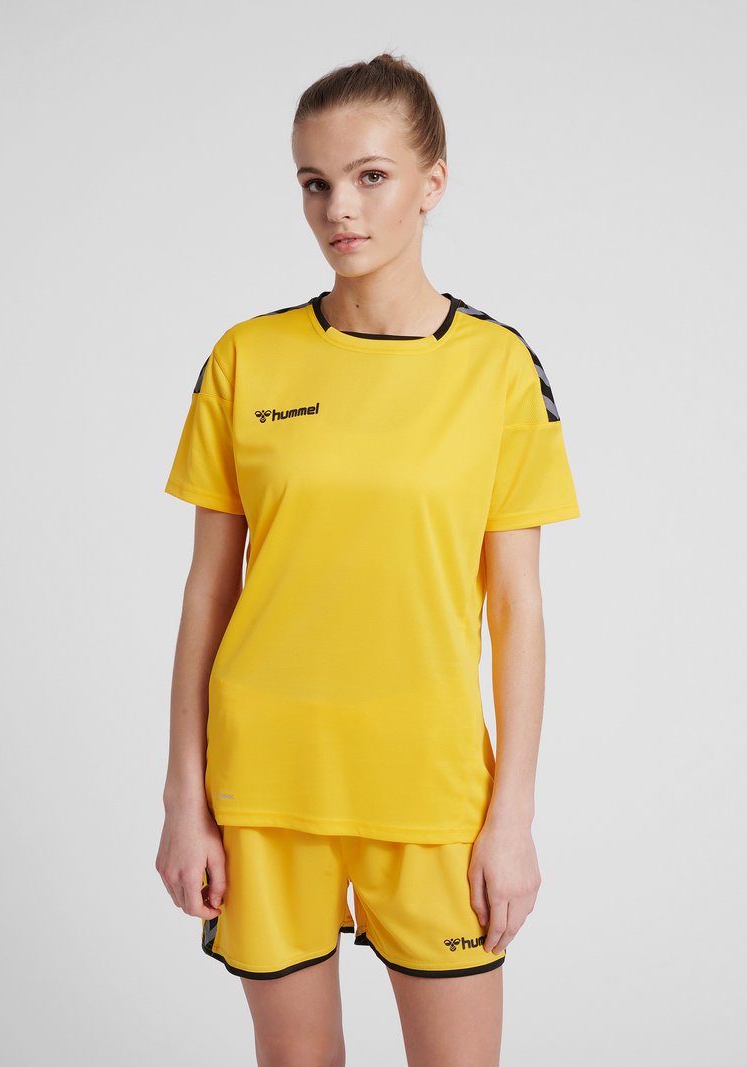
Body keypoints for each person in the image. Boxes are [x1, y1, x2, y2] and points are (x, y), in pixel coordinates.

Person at [155, 51, 581, 1067]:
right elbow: (209, 590)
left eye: (370, 176)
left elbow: (517, 607)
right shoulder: (245, 357)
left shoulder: (496, 369)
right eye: (315, 182)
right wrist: (183, 797)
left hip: (431, 792)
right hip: (263, 784)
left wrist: (512, 817)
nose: (338, 207)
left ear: (433, 183)